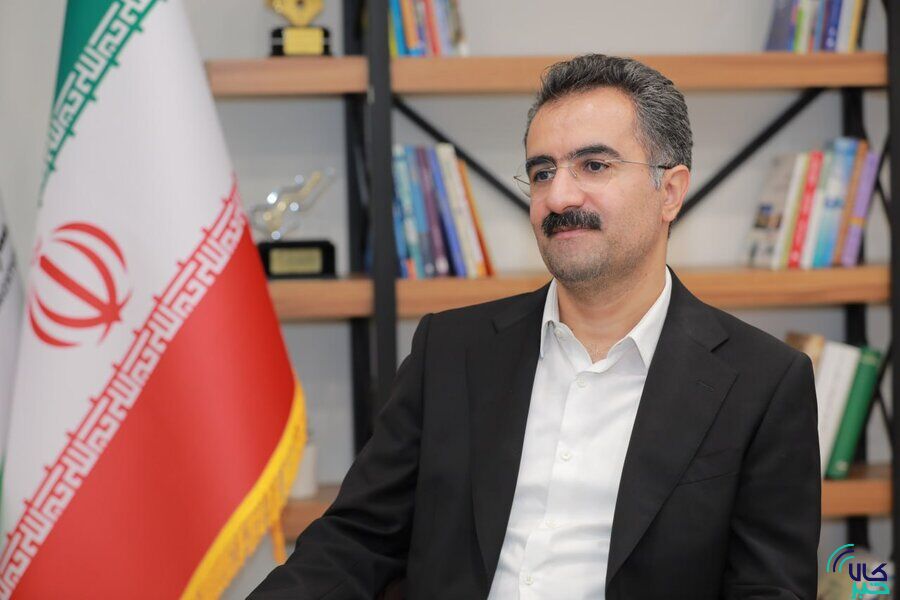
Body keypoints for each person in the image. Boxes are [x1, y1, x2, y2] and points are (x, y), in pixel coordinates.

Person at [250, 54, 820, 600]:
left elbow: (769, 588)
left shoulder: (763, 383)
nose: (559, 196)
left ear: (668, 192)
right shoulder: (449, 351)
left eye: (594, 165)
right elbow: (355, 541)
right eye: (542, 172)